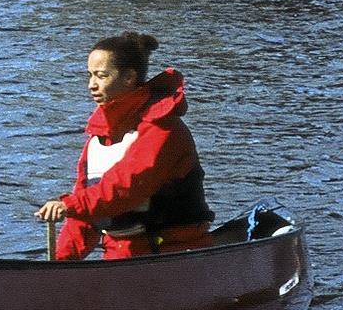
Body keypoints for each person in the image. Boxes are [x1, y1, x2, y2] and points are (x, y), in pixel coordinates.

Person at [34, 31, 214, 260]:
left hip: (172, 253)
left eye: (101, 76)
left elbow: (125, 188)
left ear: (129, 77)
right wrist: (60, 263)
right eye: (89, 76)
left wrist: (68, 205)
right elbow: (84, 215)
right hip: (121, 255)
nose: (91, 85)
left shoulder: (164, 129)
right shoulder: (97, 138)